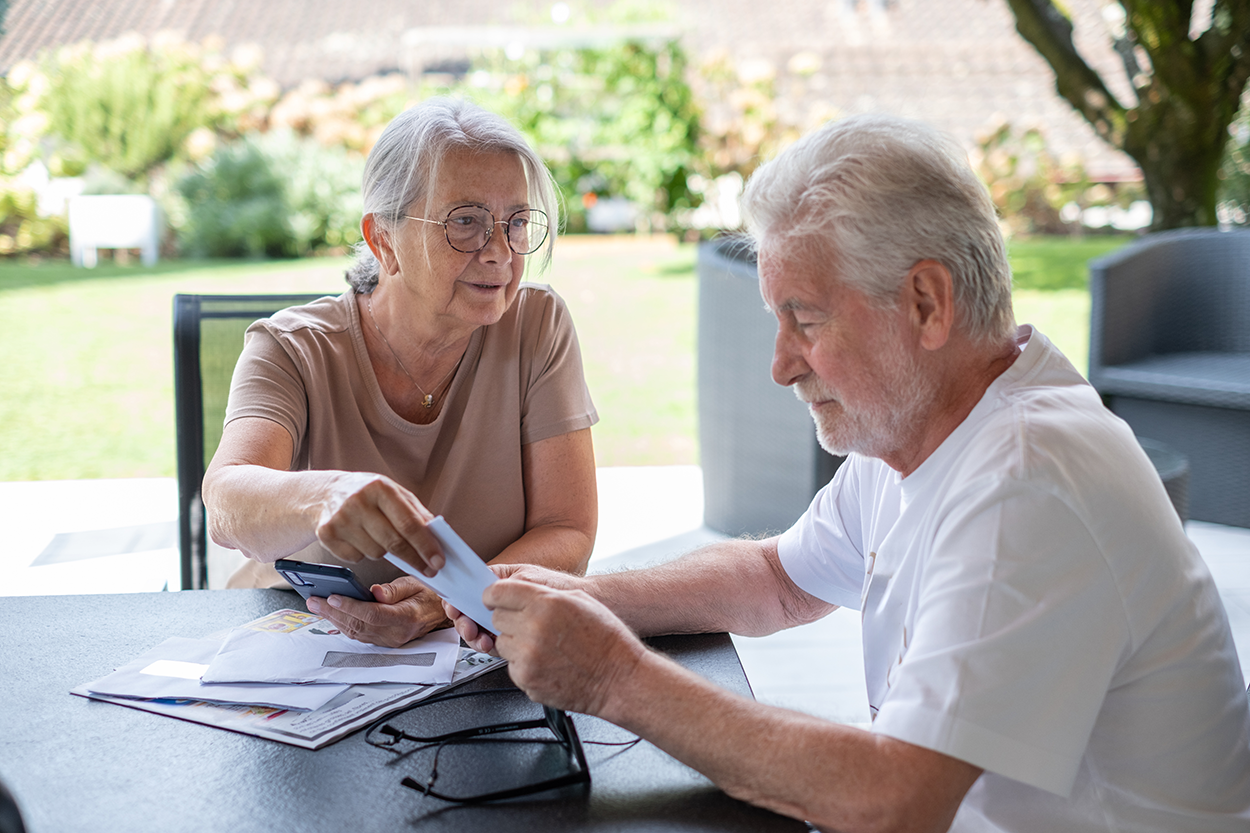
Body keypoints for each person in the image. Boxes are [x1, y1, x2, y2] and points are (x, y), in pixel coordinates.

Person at [444, 114, 1250, 831]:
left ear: (928, 304)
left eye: (807, 319)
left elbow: (893, 801)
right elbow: (777, 579)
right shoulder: (924, 424)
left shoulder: (1024, 482)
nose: (780, 364)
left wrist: (614, 677)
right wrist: (575, 598)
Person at [201, 98, 599, 648]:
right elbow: (224, 502)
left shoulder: (537, 326)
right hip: (305, 647)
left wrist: (452, 597)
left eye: (516, 224)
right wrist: (324, 496)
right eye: (466, 223)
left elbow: (569, 531)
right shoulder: (291, 347)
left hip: (465, 653)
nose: (501, 253)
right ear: (383, 240)